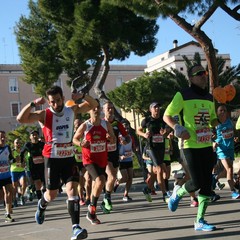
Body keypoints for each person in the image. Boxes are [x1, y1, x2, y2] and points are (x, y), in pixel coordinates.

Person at [17, 85, 98, 240]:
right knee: (51, 194)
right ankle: (42, 205)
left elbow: (93, 105)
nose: (56, 104)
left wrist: (81, 96)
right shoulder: (44, 114)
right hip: (52, 159)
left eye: (58, 100)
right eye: (52, 102)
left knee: (72, 192)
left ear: (63, 98)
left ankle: (76, 227)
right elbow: (20, 119)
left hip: (68, 158)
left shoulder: (71, 110)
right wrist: (33, 103)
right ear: (49, 102)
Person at [163, 64, 219, 231]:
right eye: (199, 73)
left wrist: (218, 123)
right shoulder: (183, 94)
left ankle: (200, 221)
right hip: (189, 146)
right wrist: (178, 128)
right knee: (197, 182)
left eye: (205, 73)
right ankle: (177, 193)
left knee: (207, 183)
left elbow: (212, 119)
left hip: (207, 145)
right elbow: (167, 115)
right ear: (191, 78)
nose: (203, 75)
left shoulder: (209, 98)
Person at [72, 99, 116, 225]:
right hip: (89, 160)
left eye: (98, 108)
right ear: (89, 111)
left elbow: (113, 141)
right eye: (93, 108)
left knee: (100, 183)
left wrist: (110, 138)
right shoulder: (85, 125)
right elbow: (75, 138)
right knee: (100, 180)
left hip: (102, 159)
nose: (96, 110)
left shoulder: (106, 124)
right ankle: (92, 208)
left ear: (101, 110)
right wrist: (81, 143)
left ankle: (91, 211)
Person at [101, 101, 130, 213]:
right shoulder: (101, 124)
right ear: (103, 111)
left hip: (115, 154)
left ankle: (104, 201)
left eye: (112, 108)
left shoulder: (117, 124)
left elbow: (127, 137)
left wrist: (124, 140)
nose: (110, 110)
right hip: (104, 154)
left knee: (110, 180)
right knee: (112, 177)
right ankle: (107, 198)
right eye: (108, 108)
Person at [137, 102, 169, 202]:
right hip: (150, 148)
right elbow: (138, 130)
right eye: (154, 107)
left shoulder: (162, 120)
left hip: (161, 147)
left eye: (158, 107)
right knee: (159, 169)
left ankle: (147, 188)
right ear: (150, 110)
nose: (157, 109)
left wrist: (166, 133)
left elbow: (168, 131)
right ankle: (164, 194)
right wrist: (144, 134)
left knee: (159, 171)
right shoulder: (147, 120)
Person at [213, 104, 240, 199]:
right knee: (229, 169)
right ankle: (233, 192)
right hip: (221, 149)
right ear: (217, 113)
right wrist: (214, 142)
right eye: (221, 110)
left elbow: (232, 133)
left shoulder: (229, 122)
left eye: (224, 110)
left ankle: (215, 179)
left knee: (225, 172)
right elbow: (210, 133)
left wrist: (235, 138)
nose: (223, 112)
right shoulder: (215, 123)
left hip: (230, 148)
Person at [21, 130, 45, 201]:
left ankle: (44, 195)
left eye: (36, 135)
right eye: (33, 135)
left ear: (38, 136)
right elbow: (22, 153)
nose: (35, 136)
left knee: (43, 183)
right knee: (37, 182)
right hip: (33, 166)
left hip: (42, 165)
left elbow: (48, 151)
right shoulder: (28, 145)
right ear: (30, 137)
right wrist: (22, 162)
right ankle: (39, 199)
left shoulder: (42, 144)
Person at [73, 118, 92, 206]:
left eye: (79, 124)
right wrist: (73, 151)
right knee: (80, 181)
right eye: (76, 124)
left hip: (86, 160)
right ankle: (81, 198)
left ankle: (88, 198)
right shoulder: (71, 136)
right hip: (76, 162)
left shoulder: (85, 134)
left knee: (88, 178)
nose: (78, 125)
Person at [114, 121, 134, 201]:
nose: (126, 129)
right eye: (124, 128)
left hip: (129, 158)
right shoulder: (118, 137)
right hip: (121, 160)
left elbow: (132, 146)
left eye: (127, 128)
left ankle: (126, 195)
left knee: (130, 178)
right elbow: (115, 149)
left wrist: (134, 151)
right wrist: (119, 156)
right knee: (125, 178)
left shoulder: (130, 137)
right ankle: (117, 182)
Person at [0, 130, 15, 222]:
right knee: (1, 196)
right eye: (1, 137)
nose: (3, 139)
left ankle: (8, 213)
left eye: (4, 137)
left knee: (9, 193)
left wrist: (15, 160)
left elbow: (11, 159)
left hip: (6, 175)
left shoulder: (7, 147)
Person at [11, 138, 27, 207]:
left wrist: (24, 164)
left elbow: (24, 161)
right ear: (14, 144)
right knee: (14, 187)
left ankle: (22, 196)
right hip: (14, 171)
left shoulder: (22, 152)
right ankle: (14, 199)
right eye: (16, 143)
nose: (18, 144)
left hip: (21, 170)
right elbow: (9, 161)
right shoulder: (12, 151)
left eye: (19, 143)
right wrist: (14, 160)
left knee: (24, 183)